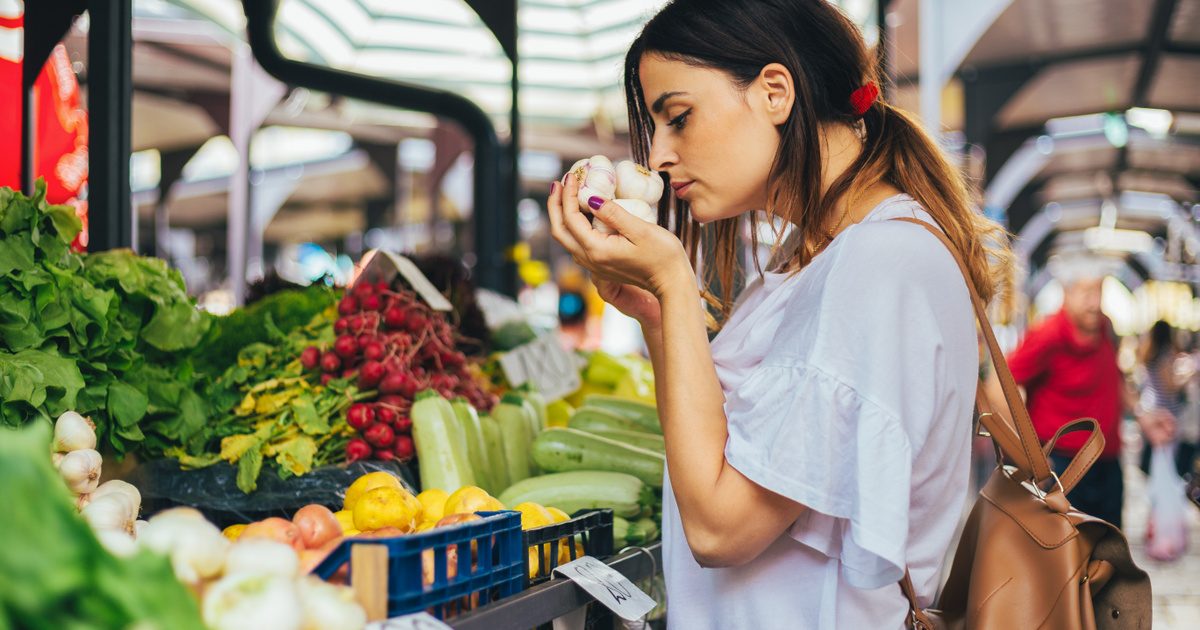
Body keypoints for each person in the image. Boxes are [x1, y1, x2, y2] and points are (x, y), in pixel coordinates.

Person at [546, 1, 1012, 627]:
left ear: (774, 92)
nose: (658, 155)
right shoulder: (822, 254)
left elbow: (719, 529)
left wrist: (675, 283)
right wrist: (659, 314)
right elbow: (726, 451)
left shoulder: (877, 264)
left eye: (678, 118)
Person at [1006, 263, 1174, 529]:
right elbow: (1003, 385)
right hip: (1062, 466)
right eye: (1085, 293)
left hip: (1108, 462)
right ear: (1066, 293)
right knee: (1066, 556)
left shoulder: (1105, 327)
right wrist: (1024, 449)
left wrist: (1143, 415)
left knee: (1109, 552)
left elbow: (1114, 378)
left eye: (1099, 292)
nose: (1095, 303)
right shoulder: (1048, 334)